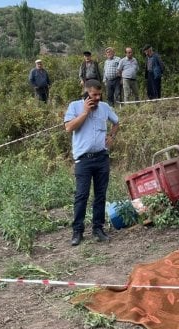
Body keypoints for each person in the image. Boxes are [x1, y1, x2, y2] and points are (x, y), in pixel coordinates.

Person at [64, 80, 119, 246]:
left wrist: (112, 137)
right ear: (86, 92)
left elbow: (116, 122)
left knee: (100, 195)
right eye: (94, 94)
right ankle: (77, 232)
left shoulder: (104, 107)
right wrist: (85, 113)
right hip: (83, 160)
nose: (97, 97)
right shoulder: (74, 106)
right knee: (81, 195)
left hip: (102, 158)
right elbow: (68, 128)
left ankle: (98, 229)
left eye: (99, 94)